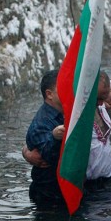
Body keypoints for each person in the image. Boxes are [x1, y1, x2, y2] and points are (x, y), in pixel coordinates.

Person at [25, 70, 65, 206]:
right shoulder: (42, 122)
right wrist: (54, 137)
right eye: (63, 87)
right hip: (49, 193)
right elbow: (47, 156)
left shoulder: (65, 112)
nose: (70, 90)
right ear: (49, 94)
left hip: (65, 187)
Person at [85, 72, 111, 191]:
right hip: (90, 184)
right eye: (98, 98)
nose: (101, 102)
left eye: (104, 96)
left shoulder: (101, 104)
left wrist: (108, 94)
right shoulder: (77, 116)